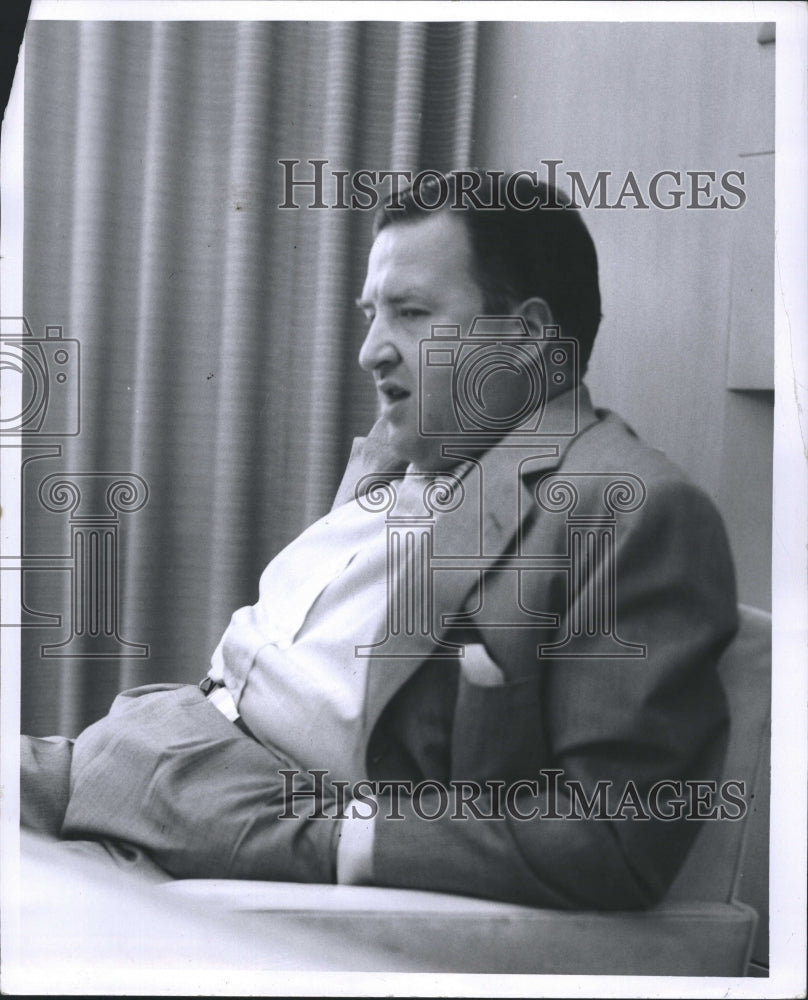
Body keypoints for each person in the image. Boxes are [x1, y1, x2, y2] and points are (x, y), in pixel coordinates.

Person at [21, 172, 738, 910]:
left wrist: (343, 843)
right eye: (372, 314)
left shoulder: (628, 507)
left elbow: (616, 834)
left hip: (253, 819)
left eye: (411, 313)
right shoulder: (409, 451)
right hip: (148, 738)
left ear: (525, 337)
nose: (369, 351)